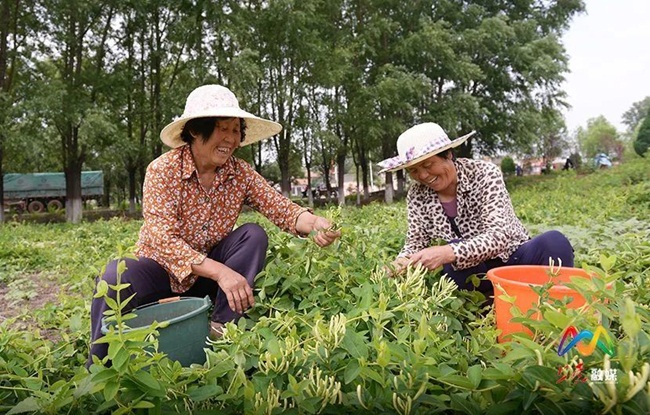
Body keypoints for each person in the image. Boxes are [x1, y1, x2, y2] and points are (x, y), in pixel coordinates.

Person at [88, 84, 341, 366]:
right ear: (196, 130)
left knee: (252, 235)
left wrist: (316, 223)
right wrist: (222, 273)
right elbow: (163, 239)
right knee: (115, 276)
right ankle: (99, 364)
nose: (230, 139)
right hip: (160, 272)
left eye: (235, 130)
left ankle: (222, 328)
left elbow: (281, 208)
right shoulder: (163, 170)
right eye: (222, 128)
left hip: (205, 280)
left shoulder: (239, 173)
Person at [379, 123, 574, 297]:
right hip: (474, 274)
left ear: (448, 155)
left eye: (428, 165)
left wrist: (447, 252)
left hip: (513, 259)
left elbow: (499, 237)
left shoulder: (483, 173)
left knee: (554, 242)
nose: (422, 175)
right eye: (413, 170)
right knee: (453, 261)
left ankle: (555, 304)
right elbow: (415, 241)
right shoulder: (417, 194)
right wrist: (398, 265)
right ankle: (486, 307)